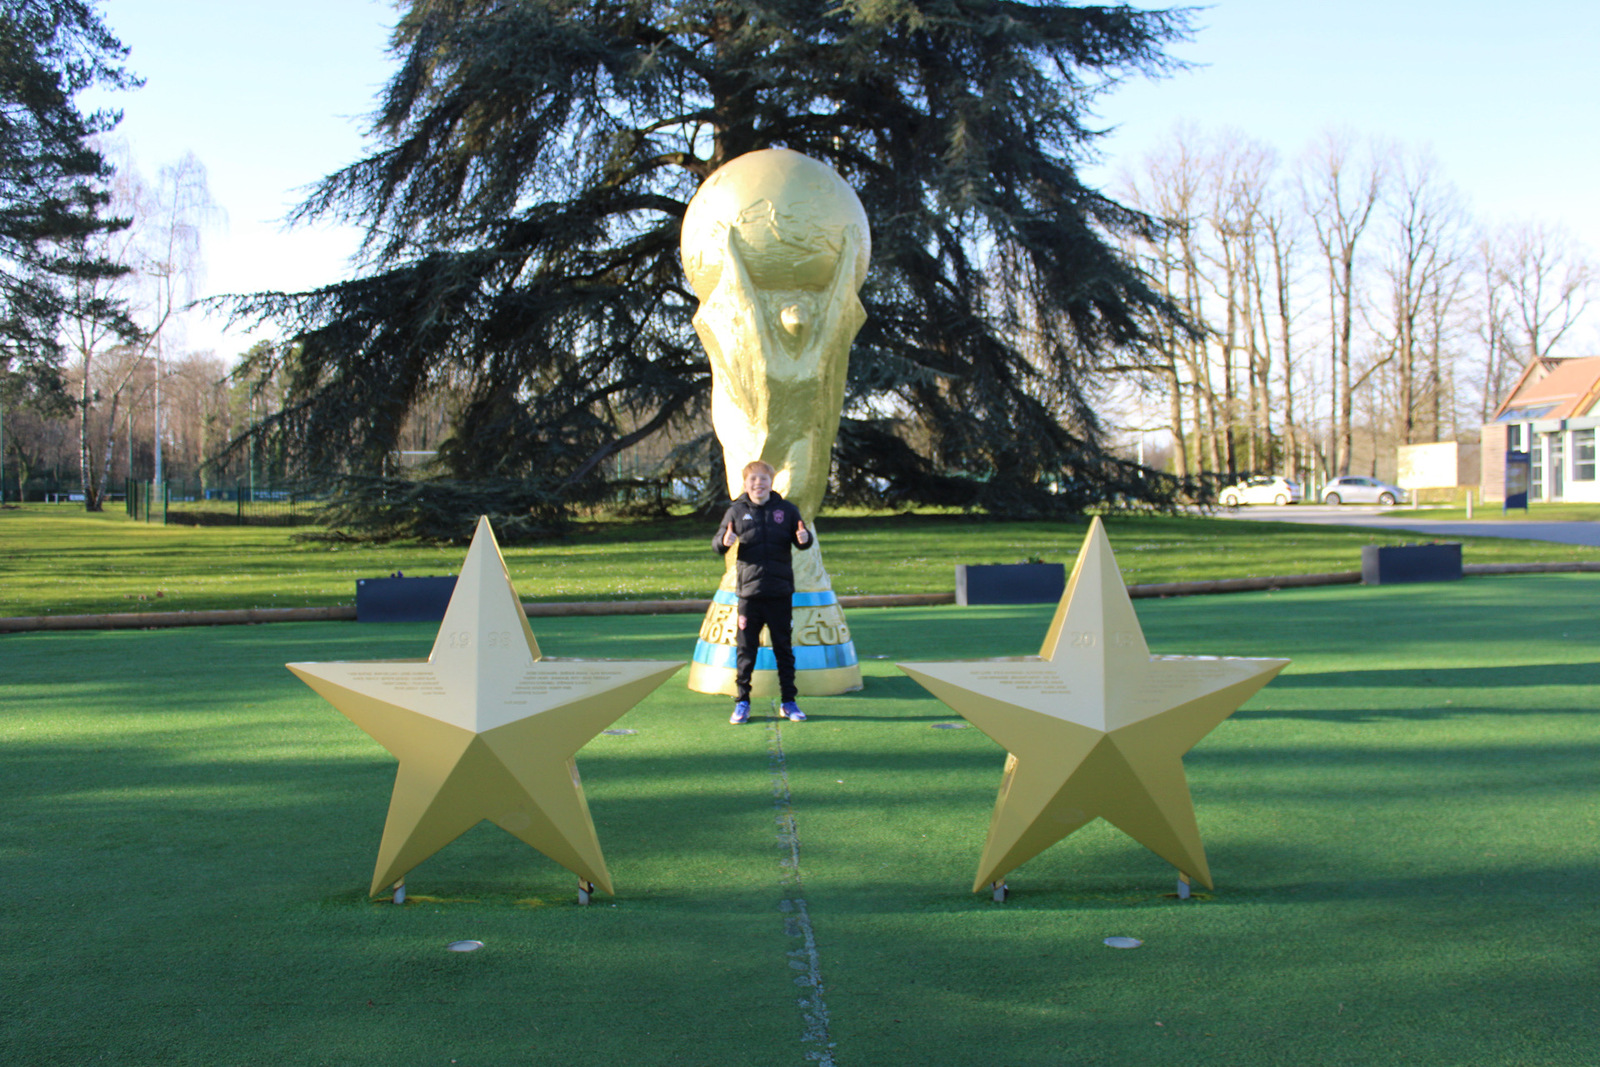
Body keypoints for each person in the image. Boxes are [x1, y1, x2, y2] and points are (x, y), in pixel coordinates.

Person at [714, 459, 813, 724]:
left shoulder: (787, 510)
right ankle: (742, 702)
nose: (758, 484)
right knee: (746, 651)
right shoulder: (736, 511)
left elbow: (802, 538)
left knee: (783, 649)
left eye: (763, 479)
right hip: (749, 595)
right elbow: (717, 543)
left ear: (771, 482)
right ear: (745, 484)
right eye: (753, 479)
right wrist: (724, 541)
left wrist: (805, 539)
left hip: (780, 593)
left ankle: (789, 702)